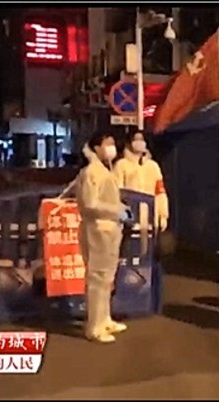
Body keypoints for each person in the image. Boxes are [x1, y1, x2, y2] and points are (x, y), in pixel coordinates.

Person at [75, 132, 132, 343]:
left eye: (112, 143)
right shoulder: (92, 172)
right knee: (98, 278)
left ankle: (105, 318)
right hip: (98, 228)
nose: (111, 147)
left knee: (107, 278)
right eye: (107, 143)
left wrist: (120, 208)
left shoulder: (103, 169)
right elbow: (90, 203)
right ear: (96, 147)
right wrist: (116, 210)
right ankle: (94, 326)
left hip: (109, 228)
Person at [114, 132, 169, 233]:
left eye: (141, 139)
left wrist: (163, 215)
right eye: (136, 139)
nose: (139, 142)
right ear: (129, 143)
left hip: (151, 218)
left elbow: (160, 192)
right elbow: (117, 193)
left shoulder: (153, 166)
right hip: (130, 219)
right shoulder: (121, 165)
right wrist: (123, 217)